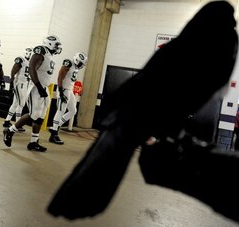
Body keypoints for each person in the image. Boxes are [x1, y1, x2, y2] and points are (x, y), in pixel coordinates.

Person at [47, 1, 238, 220]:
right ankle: (76, 202)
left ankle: (74, 202)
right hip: (136, 114)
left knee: (108, 154)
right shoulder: (219, 47)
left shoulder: (180, 45)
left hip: (130, 113)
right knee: (111, 154)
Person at [3, 35, 62, 152]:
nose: (57, 47)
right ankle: (10, 130)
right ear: (49, 43)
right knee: (33, 114)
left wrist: (43, 88)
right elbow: (31, 68)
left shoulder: (50, 55)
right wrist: (39, 87)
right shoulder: (41, 51)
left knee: (40, 116)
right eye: (56, 45)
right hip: (36, 87)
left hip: (44, 87)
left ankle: (33, 142)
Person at [48, 52, 88, 145]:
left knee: (73, 111)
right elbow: (60, 76)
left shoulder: (76, 67)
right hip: (64, 89)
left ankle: (56, 126)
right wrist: (61, 91)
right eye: (81, 63)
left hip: (69, 90)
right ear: (77, 60)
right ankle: (54, 133)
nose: (81, 65)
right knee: (61, 110)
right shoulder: (68, 63)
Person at [3, 47, 33, 132]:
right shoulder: (21, 60)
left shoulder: (30, 62)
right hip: (20, 83)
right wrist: (11, 83)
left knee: (15, 103)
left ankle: (7, 121)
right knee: (21, 103)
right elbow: (13, 71)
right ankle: (18, 124)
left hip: (25, 84)